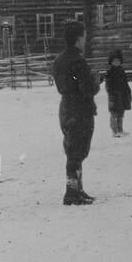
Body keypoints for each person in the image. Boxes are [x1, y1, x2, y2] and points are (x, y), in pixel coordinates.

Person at [53, 20, 100, 205]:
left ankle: (77, 190)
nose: (85, 39)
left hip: (66, 107)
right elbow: (87, 89)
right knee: (77, 152)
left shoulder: (59, 60)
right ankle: (72, 193)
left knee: (74, 150)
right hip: (80, 110)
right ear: (78, 39)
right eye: (84, 36)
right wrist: (95, 82)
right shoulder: (78, 61)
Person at [104, 49, 132, 137]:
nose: (116, 62)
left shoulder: (122, 71)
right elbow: (108, 85)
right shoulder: (110, 73)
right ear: (111, 62)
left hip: (122, 95)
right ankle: (114, 131)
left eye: (118, 61)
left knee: (121, 114)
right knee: (114, 114)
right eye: (114, 61)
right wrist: (112, 93)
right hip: (114, 96)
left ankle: (120, 129)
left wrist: (128, 92)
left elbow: (125, 83)